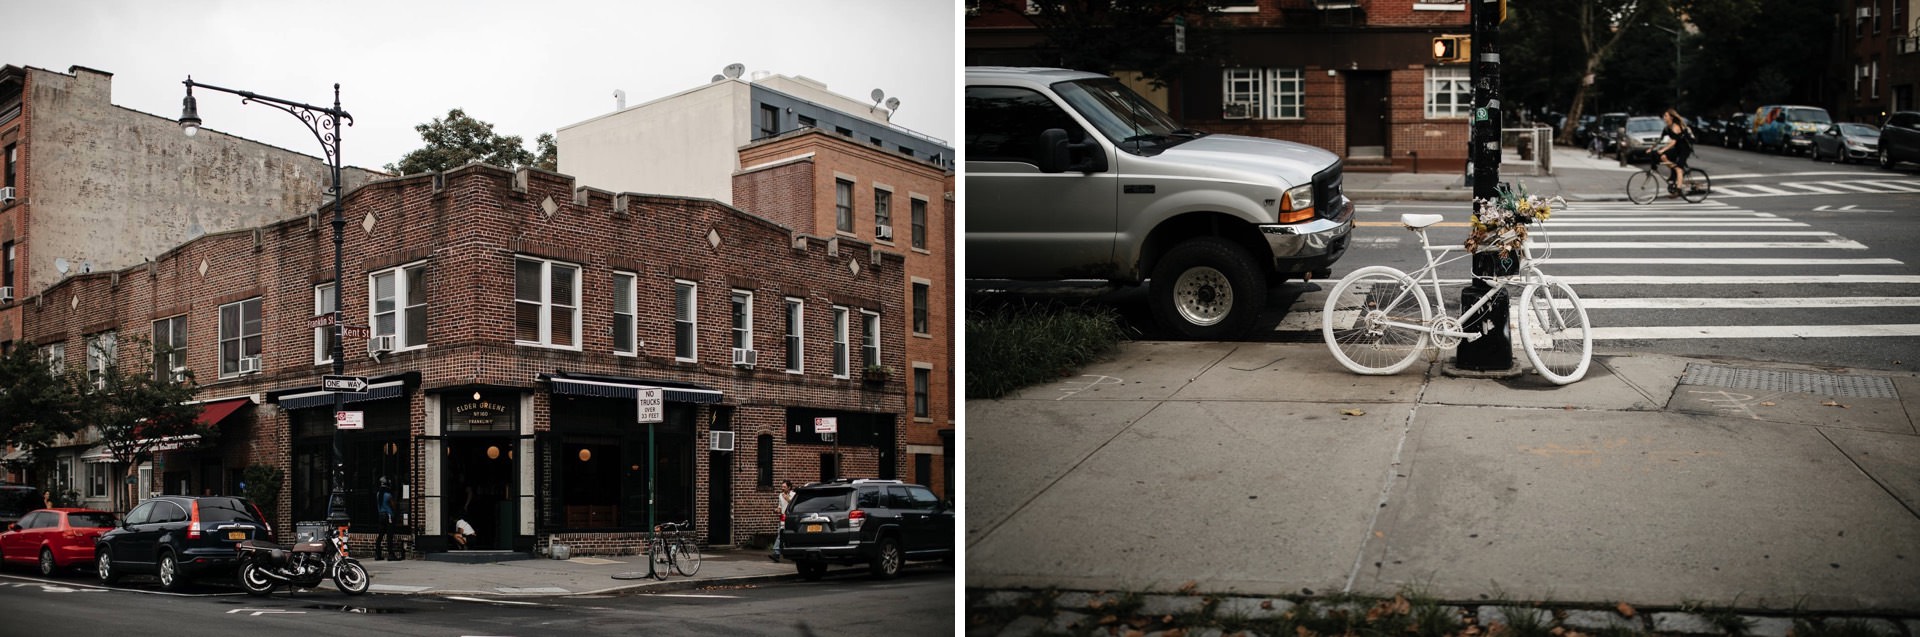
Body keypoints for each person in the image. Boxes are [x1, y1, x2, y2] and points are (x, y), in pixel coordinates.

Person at [1654, 108, 1694, 196]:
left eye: (1665, 116)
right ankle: (1675, 172)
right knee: (1663, 157)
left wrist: (1663, 149)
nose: (1664, 117)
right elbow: (1660, 139)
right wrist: (1651, 148)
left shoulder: (1675, 127)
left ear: (1671, 117)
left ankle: (1678, 189)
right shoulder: (1667, 128)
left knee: (1679, 168)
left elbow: (1673, 142)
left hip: (1685, 149)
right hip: (1677, 148)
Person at [374, 477, 401, 561]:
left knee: (380, 535)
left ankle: (378, 554)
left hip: (381, 516)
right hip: (388, 516)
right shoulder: (388, 495)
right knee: (389, 536)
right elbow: (393, 506)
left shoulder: (378, 494)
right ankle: (390, 554)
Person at [769, 480, 794, 563]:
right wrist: (777, 510)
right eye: (782, 487)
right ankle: (777, 554)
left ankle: (777, 553)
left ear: (789, 487)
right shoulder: (780, 495)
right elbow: (780, 506)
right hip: (783, 518)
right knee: (781, 536)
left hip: (790, 519)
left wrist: (788, 499)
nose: (782, 488)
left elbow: (795, 506)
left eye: (784, 487)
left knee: (783, 536)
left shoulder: (794, 495)